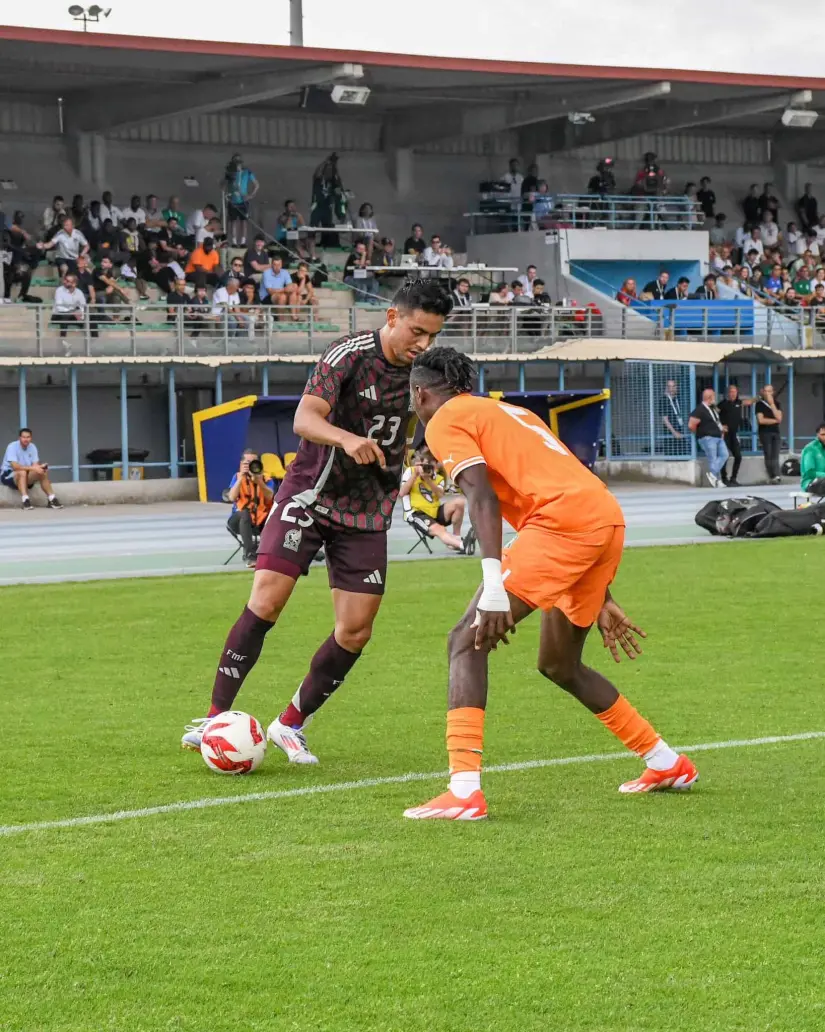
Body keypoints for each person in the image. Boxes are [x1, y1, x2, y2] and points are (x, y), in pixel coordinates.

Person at [401, 347, 697, 820]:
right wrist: (601, 592)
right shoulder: (508, 411)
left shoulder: (443, 419)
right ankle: (666, 762)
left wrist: (493, 583)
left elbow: (480, 495)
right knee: (559, 663)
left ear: (419, 391)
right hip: (602, 519)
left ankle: (463, 791)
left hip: (563, 526)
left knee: (465, 640)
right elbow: (566, 481)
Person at [180, 279, 454, 760]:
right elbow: (305, 419)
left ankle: (290, 724)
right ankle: (215, 718)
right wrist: (346, 439)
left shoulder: (425, 373)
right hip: (309, 496)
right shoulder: (346, 355)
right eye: (417, 331)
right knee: (266, 601)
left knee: (355, 631)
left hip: (368, 511)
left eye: (431, 336)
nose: (423, 345)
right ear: (393, 317)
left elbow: (441, 421)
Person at [400, 446, 471, 552]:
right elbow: (402, 493)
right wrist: (415, 475)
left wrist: (428, 480)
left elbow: (440, 495)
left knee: (459, 503)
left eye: (431, 467)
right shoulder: (411, 472)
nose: (428, 469)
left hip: (434, 511)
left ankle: (456, 538)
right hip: (416, 513)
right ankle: (462, 545)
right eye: (426, 466)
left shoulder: (438, 478)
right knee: (439, 529)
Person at [227, 449, 275, 566]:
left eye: (254, 462)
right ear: (242, 464)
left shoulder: (266, 479)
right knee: (244, 513)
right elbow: (232, 497)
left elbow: (270, 497)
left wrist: (259, 482)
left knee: (280, 517)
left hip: (261, 521)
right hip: (238, 521)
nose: (250, 465)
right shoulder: (237, 477)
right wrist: (241, 478)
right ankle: (249, 556)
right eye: (247, 463)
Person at [0, 428, 62, 510]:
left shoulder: (32, 447)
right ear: (19, 438)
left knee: (42, 472)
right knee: (22, 472)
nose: (26, 439)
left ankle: (52, 499)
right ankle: (25, 500)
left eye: (28, 437)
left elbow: (35, 466)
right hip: (8, 475)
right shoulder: (12, 446)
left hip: (26, 474)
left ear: (31, 438)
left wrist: (40, 468)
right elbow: (15, 467)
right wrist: (34, 468)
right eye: (24, 437)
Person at [688, 388, 729, 488]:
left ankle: (713, 475)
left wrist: (721, 429)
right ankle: (717, 480)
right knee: (713, 459)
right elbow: (691, 425)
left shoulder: (712, 408)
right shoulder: (699, 409)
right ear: (709, 398)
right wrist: (700, 433)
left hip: (718, 437)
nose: (715, 398)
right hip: (708, 438)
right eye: (714, 396)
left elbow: (715, 422)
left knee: (725, 455)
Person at [716, 384, 753, 486]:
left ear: (737, 393)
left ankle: (733, 478)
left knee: (738, 456)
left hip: (734, 434)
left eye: (734, 392)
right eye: (731, 392)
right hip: (724, 434)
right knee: (724, 456)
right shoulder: (722, 404)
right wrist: (720, 426)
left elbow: (748, 402)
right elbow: (714, 415)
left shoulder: (738, 403)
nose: (733, 394)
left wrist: (758, 398)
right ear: (728, 393)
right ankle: (724, 478)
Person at [224, 153, 258, 246]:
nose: (237, 162)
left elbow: (256, 184)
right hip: (233, 200)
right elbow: (224, 186)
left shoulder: (247, 172)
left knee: (244, 221)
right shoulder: (230, 173)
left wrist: (251, 195)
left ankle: (243, 242)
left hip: (243, 200)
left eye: (238, 160)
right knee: (233, 221)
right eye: (235, 160)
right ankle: (234, 241)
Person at [755, 384, 783, 483]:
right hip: (765, 433)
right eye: (766, 391)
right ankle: (772, 475)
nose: (768, 393)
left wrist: (772, 404)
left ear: (773, 392)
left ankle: (777, 476)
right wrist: (775, 420)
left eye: (770, 391)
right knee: (769, 454)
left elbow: (779, 418)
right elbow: (761, 420)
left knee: (775, 454)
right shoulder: (759, 404)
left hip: (776, 432)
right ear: (763, 392)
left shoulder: (776, 404)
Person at [658, 379, 686, 455]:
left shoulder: (676, 398)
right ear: (666, 388)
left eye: (673, 386)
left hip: (679, 431)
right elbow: (665, 420)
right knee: (672, 457)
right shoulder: (664, 400)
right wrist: (674, 433)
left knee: (683, 455)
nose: (671, 389)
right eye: (669, 386)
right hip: (670, 434)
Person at [800, 423, 825, 495]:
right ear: (817, 435)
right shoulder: (810, 449)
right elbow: (810, 473)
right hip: (811, 482)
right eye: (823, 435)